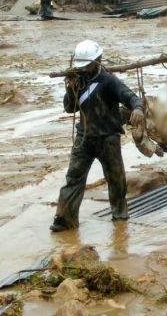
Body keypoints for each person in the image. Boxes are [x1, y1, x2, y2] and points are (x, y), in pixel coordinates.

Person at [51, 40, 145, 231]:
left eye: (87, 65)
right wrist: (71, 87)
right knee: (74, 178)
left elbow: (131, 97)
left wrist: (138, 109)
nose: (84, 69)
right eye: (81, 66)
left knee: (116, 180)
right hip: (84, 139)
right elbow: (70, 108)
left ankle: (120, 218)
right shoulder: (79, 79)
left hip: (108, 137)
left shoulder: (109, 81)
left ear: (98, 61)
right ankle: (64, 220)